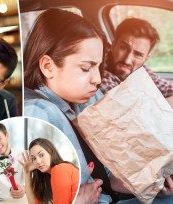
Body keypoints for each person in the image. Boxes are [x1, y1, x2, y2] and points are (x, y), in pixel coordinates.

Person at [23, 8, 173, 204]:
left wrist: (150, 183)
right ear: (48, 67)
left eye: (98, 67)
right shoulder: (36, 115)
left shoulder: (89, 100)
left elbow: (105, 176)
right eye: (86, 68)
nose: (98, 78)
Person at [100, 18, 173, 98]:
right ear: (113, 45)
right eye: (123, 48)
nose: (127, 60)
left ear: (146, 58)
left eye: (138, 54)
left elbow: (168, 88)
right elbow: (125, 104)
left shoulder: (141, 71)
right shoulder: (100, 74)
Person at [19, 138, 79, 204]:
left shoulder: (60, 169)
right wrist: (27, 173)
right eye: (34, 158)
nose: (38, 161)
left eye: (41, 155)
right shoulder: (47, 179)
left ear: (51, 153)